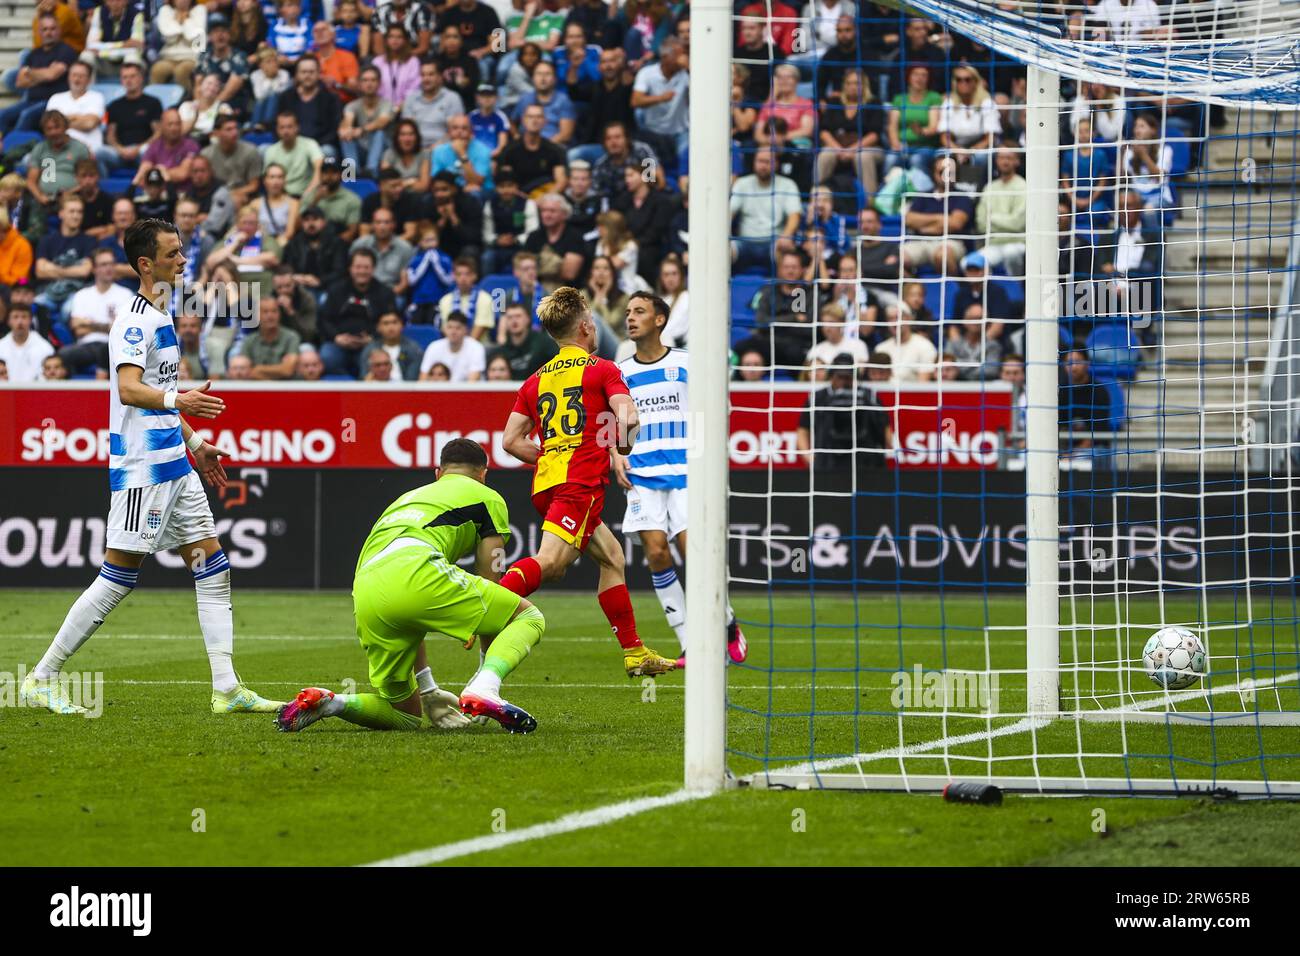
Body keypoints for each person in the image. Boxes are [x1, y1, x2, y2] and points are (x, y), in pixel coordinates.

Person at [21, 218, 279, 716]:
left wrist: (195, 441)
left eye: (182, 251)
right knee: (118, 578)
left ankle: (226, 689)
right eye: (173, 253)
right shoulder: (135, 321)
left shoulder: (163, 313)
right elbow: (130, 390)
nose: (183, 260)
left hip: (175, 464)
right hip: (143, 470)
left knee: (211, 564)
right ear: (147, 264)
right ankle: (41, 676)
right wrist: (178, 397)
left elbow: (156, 400)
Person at [275, 438, 545, 734]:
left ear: (438, 473)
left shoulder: (407, 498)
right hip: (415, 568)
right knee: (528, 617)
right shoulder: (487, 496)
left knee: (404, 716)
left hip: (366, 589)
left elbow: (410, 613)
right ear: (484, 473)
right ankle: (486, 687)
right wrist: (482, 672)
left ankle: (332, 703)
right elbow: (492, 584)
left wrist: (428, 691)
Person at [499, 286, 677, 678]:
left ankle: (634, 652)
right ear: (584, 327)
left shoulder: (534, 380)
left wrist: (550, 456)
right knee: (551, 564)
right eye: (593, 322)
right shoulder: (603, 368)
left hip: (548, 484)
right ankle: (482, 608)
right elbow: (627, 417)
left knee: (612, 557)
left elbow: (510, 441)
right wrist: (624, 447)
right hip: (578, 484)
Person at [613, 291, 748, 665]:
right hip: (642, 471)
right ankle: (690, 643)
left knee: (696, 552)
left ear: (660, 320)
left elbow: (718, 408)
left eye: (639, 311)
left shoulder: (689, 363)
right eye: (628, 312)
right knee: (656, 552)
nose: (631, 317)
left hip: (688, 470)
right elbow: (616, 421)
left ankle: (726, 622)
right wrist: (616, 454)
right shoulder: (621, 371)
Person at [796, 355, 893, 470]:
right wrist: (811, 458)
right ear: (831, 377)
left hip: (864, 461)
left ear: (854, 377)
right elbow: (803, 430)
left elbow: (886, 430)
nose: (844, 381)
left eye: (848, 377)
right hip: (828, 461)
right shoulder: (817, 398)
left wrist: (882, 453)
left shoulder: (869, 397)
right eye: (840, 377)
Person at [319, 247, 398, 376]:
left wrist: (373, 338)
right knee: (327, 357)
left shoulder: (385, 293)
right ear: (350, 268)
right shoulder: (336, 290)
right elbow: (324, 319)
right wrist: (336, 337)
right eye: (358, 267)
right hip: (338, 342)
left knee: (374, 361)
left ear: (373, 269)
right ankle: (346, 387)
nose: (362, 271)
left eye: (366, 267)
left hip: (370, 343)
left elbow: (391, 322)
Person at [0, 12, 77, 137]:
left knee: (26, 115)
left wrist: (30, 72)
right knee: (2, 114)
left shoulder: (66, 50)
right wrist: (45, 73)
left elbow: (52, 75)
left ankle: (13, 151)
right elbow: (20, 82)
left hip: (52, 103)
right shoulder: (33, 54)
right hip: (30, 100)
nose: (49, 32)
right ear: (39, 32)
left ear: (59, 31)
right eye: (45, 29)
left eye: (53, 29)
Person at [61, 248, 136, 375]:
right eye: (103, 265)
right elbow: (77, 329)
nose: (109, 268)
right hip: (86, 346)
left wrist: (88, 324)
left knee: (105, 351)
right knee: (62, 355)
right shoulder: (82, 295)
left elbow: (120, 331)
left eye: (111, 264)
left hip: (113, 347)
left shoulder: (126, 294)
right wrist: (107, 326)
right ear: (94, 269)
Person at [340, 66, 394, 179]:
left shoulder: (386, 104)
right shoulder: (353, 105)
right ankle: (350, 175)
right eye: (365, 80)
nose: (369, 84)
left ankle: (371, 173)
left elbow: (382, 122)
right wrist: (347, 130)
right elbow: (347, 120)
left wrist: (361, 130)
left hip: (384, 150)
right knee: (346, 137)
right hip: (363, 148)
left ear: (379, 84)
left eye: (373, 80)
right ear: (359, 84)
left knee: (379, 132)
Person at [195, 14, 252, 120]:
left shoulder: (239, 56)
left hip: (232, 102)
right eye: (215, 32)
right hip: (206, 101)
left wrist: (210, 108)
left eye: (224, 31)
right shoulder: (204, 56)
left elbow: (232, 88)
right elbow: (198, 85)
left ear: (229, 35)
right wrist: (199, 105)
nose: (220, 35)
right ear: (210, 37)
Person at [283, 204, 349, 294]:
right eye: (306, 220)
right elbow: (286, 267)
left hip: (328, 287)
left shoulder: (336, 243)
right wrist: (296, 277)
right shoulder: (294, 243)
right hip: (299, 286)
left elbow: (340, 271)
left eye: (315, 219)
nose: (311, 224)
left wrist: (319, 280)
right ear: (302, 224)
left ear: (324, 222)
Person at [203, 115, 265, 210]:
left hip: (242, 195)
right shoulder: (206, 154)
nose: (235, 132)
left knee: (234, 200)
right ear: (216, 133)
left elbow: (254, 186)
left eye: (236, 128)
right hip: (214, 194)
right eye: (229, 129)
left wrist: (229, 194)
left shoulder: (250, 151)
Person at [402, 59, 465, 149]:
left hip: (444, 149)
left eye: (431, 74)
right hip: (415, 150)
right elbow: (407, 131)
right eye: (423, 75)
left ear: (440, 77)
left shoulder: (452, 98)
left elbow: (455, 131)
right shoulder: (411, 99)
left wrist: (434, 149)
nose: (426, 79)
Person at [134, 110, 200, 191]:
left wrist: (158, 173)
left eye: (177, 124)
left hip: (183, 194)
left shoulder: (191, 145)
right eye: (170, 124)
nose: (174, 128)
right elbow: (143, 174)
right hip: (159, 195)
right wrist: (160, 174)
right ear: (161, 126)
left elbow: (183, 174)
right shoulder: (154, 146)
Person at [263, 110, 324, 198]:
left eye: (289, 127)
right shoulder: (271, 151)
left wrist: (307, 196)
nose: (286, 131)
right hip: (281, 198)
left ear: (297, 127)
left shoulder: (310, 144)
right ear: (277, 129)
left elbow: (319, 170)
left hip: (305, 195)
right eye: (282, 127)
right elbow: (268, 180)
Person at [354, 206, 416, 292]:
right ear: (372, 225)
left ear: (393, 225)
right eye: (378, 222)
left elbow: (406, 282)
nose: (382, 227)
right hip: (363, 292)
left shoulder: (405, 248)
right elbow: (350, 274)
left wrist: (389, 296)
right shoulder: (360, 245)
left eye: (386, 222)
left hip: (392, 293)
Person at [238, 296, 301, 379]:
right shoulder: (249, 341)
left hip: (288, 388)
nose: (270, 316)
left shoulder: (291, 337)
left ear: (279, 314)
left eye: (274, 311)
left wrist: (259, 369)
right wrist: (279, 369)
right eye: (265, 312)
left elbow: (288, 370)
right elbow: (247, 372)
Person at [82, 0, 146, 81]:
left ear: (126, 1)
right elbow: (91, 45)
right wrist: (124, 45)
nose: (115, 4)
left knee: (132, 57)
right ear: (106, 2)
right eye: (111, 0)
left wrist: (101, 50)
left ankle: (131, 91)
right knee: (86, 56)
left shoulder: (137, 14)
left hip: (124, 61)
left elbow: (137, 46)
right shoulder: (99, 11)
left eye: (118, 0)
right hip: (104, 62)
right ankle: (88, 91)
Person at [489, 301, 557, 378]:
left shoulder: (544, 343)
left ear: (527, 319)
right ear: (505, 322)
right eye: (510, 317)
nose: (514, 321)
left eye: (518, 316)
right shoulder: (502, 350)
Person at [302, 156, 361, 241]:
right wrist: (315, 200)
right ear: (321, 175)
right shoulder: (311, 196)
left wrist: (330, 246)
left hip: (337, 244)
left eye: (333, 172)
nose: (329, 176)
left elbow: (351, 233)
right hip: (310, 242)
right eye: (325, 172)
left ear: (341, 175)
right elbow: (299, 225)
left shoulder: (352, 199)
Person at [152, 0, 207, 89]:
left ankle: (186, 100)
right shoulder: (165, 10)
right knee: (157, 70)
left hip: (191, 57)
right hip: (169, 57)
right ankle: (155, 101)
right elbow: (169, 38)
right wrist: (180, 22)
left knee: (181, 71)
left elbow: (194, 37)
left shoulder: (200, 10)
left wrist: (185, 20)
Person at [438, 255, 495, 338]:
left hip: (478, 347)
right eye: (459, 274)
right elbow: (446, 329)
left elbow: (480, 328)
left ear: (474, 276)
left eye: (467, 274)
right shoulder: (445, 300)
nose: (463, 278)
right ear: (454, 276)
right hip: (452, 345)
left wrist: (465, 349)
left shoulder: (485, 299)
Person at [419, 310, 484, 381]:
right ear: (444, 329)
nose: (453, 332)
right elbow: (423, 380)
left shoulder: (476, 348)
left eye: (458, 328)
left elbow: (473, 382)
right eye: (450, 327)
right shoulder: (434, 347)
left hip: (466, 391)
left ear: (466, 330)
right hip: (440, 390)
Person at [359, 310, 422, 380]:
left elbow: (412, 379)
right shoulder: (369, 349)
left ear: (402, 325)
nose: (391, 327)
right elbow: (364, 377)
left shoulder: (413, 348)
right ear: (378, 327)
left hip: (406, 389)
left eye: (395, 322)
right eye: (386, 323)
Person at [0, 304, 54, 382]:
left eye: (24, 317)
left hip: (35, 392)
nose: (20, 322)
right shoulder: (1, 346)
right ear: (8, 321)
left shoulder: (45, 347)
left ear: (30, 320)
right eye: (15, 317)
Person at [250, 44, 293, 130]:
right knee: (261, 101)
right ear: (261, 65)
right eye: (268, 62)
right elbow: (259, 95)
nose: (273, 64)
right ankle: (255, 127)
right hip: (261, 106)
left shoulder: (284, 74)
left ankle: (266, 126)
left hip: (281, 106)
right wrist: (269, 79)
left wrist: (273, 78)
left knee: (273, 96)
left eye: (275, 61)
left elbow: (282, 94)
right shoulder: (255, 75)